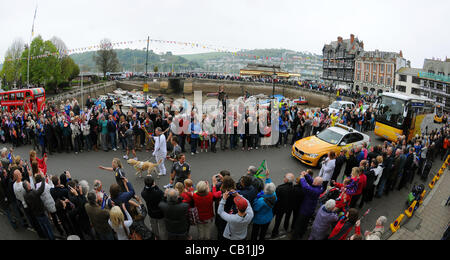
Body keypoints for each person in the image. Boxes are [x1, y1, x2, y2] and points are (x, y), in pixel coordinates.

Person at [291, 172, 323, 240]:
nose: (313, 181)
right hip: (310, 209)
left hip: (305, 210)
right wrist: (306, 175)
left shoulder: (315, 191)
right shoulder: (319, 186)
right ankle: (301, 234)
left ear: (317, 183)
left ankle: (294, 237)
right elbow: (312, 181)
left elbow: (305, 187)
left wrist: (302, 178)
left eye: (315, 181)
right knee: (305, 223)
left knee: (299, 224)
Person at [141, 176, 165, 240]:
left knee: (154, 228)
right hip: (160, 213)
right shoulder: (158, 193)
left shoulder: (143, 193)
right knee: (162, 228)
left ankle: (156, 237)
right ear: (153, 183)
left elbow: (144, 189)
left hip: (151, 213)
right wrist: (155, 186)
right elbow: (163, 194)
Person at [271, 173, 295, 238]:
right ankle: (274, 232)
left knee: (270, 218)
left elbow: (274, 198)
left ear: (287, 180)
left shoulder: (280, 188)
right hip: (284, 208)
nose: (283, 178)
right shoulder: (293, 188)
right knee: (278, 221)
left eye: (284, 177)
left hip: (276, 207)